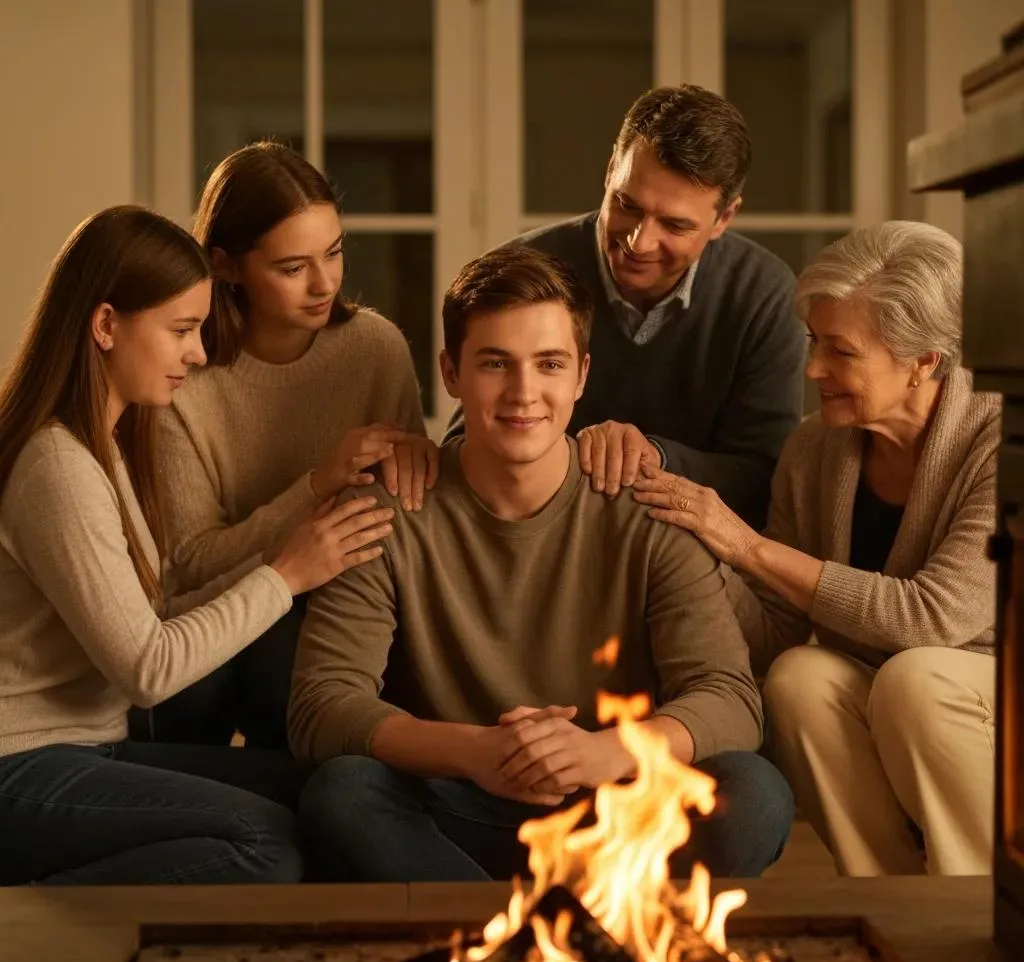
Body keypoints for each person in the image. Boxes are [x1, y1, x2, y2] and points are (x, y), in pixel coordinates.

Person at [291, 246, 793, 883]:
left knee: (754, 793)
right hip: (456, 805)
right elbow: (322, 704)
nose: (524, 393)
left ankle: (554, 930)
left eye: (548, 364)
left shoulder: (645, 504)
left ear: (581, 375)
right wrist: (475, 752)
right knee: (342, 793)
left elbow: (729, 698)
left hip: (614, 807)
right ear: (451, 373)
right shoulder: (384, 510)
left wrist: (603, 752)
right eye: (495, 364)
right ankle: (520, 943)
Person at [0, 206, 395, 885]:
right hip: (21, 767)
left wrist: (287, 562)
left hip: (89, 749)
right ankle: (27, 923)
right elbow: (148, 670)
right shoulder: (57, 468)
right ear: (105, 326)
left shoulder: (105, 449)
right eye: (182, 330)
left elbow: (158, 615)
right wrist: (286, 577)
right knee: (262, 846)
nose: (200, 353)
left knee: (319, 793)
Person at [632, 221, 999, 877]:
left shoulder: (1002, 440)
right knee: (801, 679)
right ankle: (889, 899)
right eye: (813, 342)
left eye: (842, 352)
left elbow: (933, 619)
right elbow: (775, 633)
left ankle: (971, 898)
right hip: (900, 689)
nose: (813, 369)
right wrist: (696, 545)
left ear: (926, 362)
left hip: (992, 687)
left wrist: (747, 547)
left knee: (915, 680)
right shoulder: (814, 448)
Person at [151, 142, 437, 749]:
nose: (325, 282)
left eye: (333, 253)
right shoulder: (182, 381)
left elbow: (408, 518)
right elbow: (186, 571)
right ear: (225, 267)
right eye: (292, 268)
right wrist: (314, 488)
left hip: (359, 616)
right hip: (232, 632)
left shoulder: (375, 348)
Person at [445, 85, 806, 529]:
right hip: (543, 535)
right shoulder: (520, 269)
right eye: (626, 205)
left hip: (693, 548)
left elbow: (765, 477)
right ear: (610, 170)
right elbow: (466, 442)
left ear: (724, 219)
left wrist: (654, 458)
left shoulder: (763, 294)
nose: (639, 242)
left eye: (674, 224)